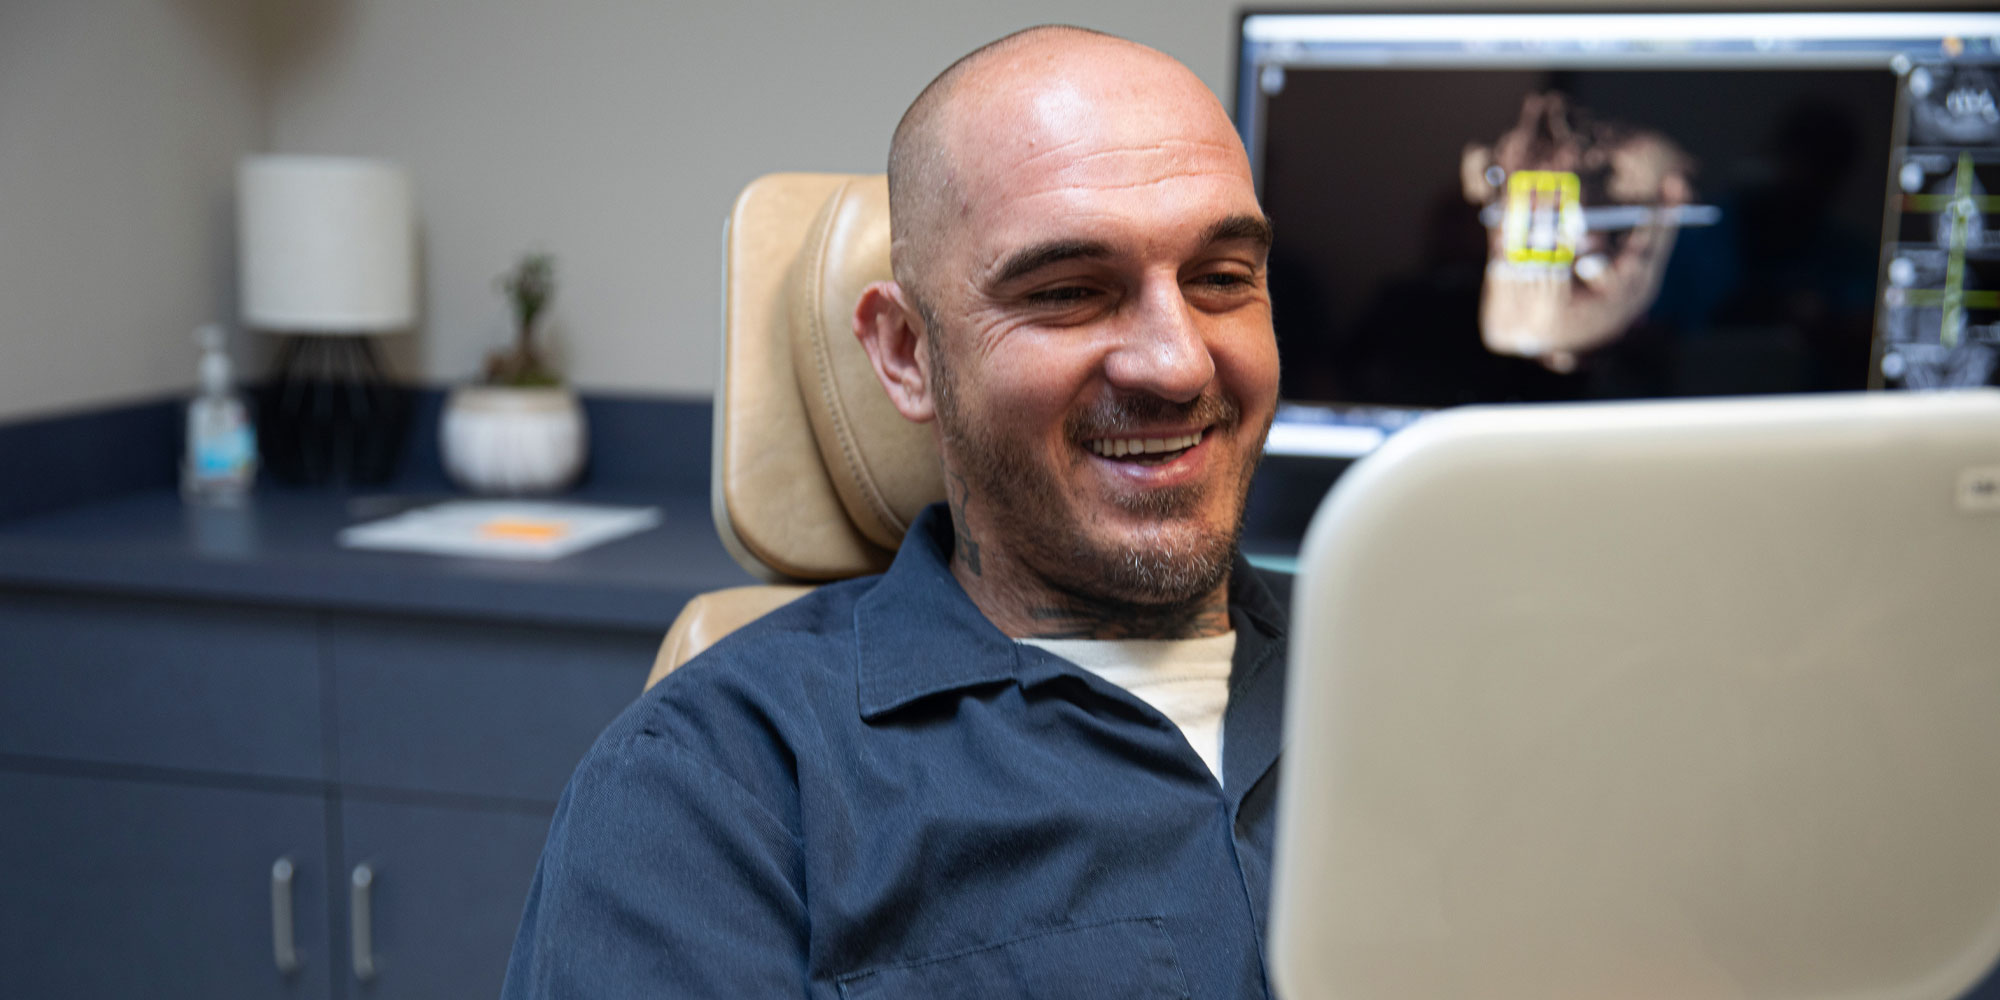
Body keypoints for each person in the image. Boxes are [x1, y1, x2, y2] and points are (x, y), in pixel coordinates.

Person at [502, 25, 1287, 999]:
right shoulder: (713, 790)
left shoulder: (1435, 691)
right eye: (1069, 293)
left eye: (1220, 279)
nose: (1176, 363)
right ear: (906, 352)